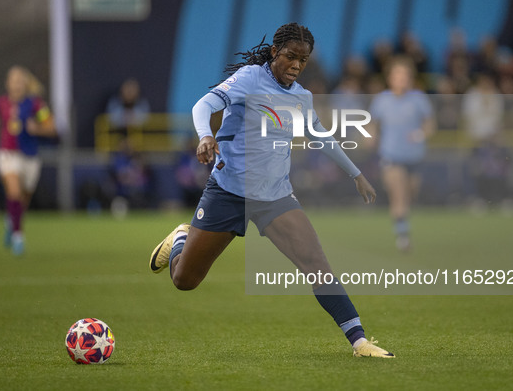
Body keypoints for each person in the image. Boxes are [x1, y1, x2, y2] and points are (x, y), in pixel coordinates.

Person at [149, 23, 394, 358]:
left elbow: (321, 136)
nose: (295, 65)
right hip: (228, 193)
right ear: (275, 52)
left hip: (276, 197)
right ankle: (180, 238)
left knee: (317, 265)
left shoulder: (301, 97)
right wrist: (205, 135)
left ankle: (360, 342)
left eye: (302, 60)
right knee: (184, 280)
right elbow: (202, 106)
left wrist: (356, 173)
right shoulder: (251, 78)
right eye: (290, 56)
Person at [0, 66, 56, 255]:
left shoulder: (36, 104)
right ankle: (18, 237)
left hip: (30, 156)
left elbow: (51, 127)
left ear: (25, 84)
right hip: (8, 154)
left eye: (20, 80)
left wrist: (36, 128)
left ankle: (10, 222)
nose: (16, 84)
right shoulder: (0, 103)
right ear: (7, 83)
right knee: (13, 192)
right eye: (13, 80)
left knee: (24, 199)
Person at [368, 56, 435, 251]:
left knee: (410, 195)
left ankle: (402, 224)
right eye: (397, 75)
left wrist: (421, 134)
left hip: (414, 156)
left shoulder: (419, 99)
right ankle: (403, 237)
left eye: (405, 75)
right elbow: (372, 124)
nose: (401, 79)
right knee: (398, 194)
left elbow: (430, 123)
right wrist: (370, 136)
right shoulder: (382, 100)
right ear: (390, 78)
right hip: (391, 155)